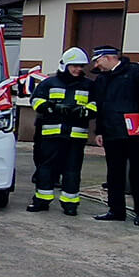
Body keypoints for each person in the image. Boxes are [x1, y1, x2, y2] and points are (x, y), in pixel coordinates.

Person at [88, 45, 139, 224]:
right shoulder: (102, 79)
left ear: (109, 58)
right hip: (112, 133)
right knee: (114, 173)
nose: (97, 65)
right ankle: (116, 210)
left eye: (98, 60)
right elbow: (100, 106)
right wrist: (100, 131)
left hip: (136, 132)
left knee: (137, 173)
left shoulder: (137, 71)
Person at [27, 47, 97, 216]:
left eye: (81, 66)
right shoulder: (49, 83)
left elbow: (96, 105)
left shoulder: (89, 85)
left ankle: (70, 203)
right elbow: (35, 101)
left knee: (72, 170)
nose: (78, 69)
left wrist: (83, 111)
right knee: (46, 169)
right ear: (64, 65)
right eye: (74, 66)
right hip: (51, 135)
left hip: (75, 136)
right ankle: (42, 200)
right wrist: (53, 107)